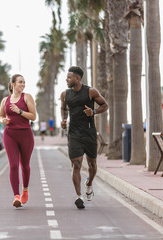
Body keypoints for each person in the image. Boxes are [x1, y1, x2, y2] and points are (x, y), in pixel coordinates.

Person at [60, 66, 108, 209]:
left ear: (77, 79)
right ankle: (79, 196)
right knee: (76, 164)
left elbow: (105, 105)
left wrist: (93, 111)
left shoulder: (91, 92)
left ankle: (89, 183)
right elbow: (64, 109)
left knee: (92, 165)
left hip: (89, 133)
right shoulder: (65, 94)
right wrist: (63, 120)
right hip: (74, 134)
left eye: (69, 77)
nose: (66, 79)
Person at [0, 74, 36, 208]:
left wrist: (19, 111)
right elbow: (1, 116)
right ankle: (16, 196)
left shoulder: (27, 97)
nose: (23, 84)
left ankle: (25, 190)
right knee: (13, 165)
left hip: (25, 134)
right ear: (13, 84)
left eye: (24, 82)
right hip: (10, 135)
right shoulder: (5, 100)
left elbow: (33, 116)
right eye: (20, 82)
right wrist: (4, 121)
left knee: (24, 165)